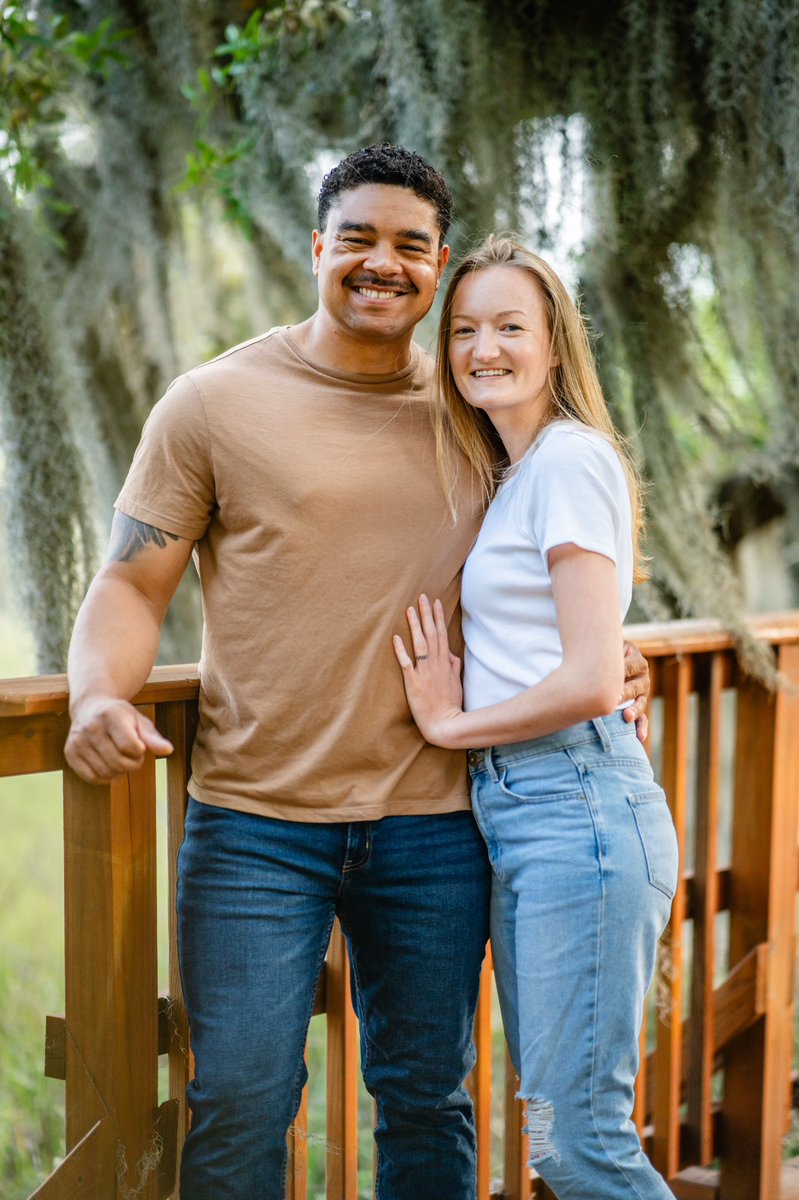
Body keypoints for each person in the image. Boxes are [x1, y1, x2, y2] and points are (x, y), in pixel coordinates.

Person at [64, 147, 650, 1200]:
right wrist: (99, 694)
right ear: (318, 248)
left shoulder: (477, 404)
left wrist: (609, 658)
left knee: (428, 1098)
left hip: (439, 822)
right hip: (254, 822)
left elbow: (552, 564)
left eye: (412, 247)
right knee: (239, 1100)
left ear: (437, 270)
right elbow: (131, 585)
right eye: (361, 239)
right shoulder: (211, 403)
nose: (384, 263)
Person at [393, 236, 678, 1198]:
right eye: (464, 329)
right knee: (552, 1124)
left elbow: (594, 679)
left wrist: (448, 723)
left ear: (555, 344)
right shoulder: (515, 473)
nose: (484, 347)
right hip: (526, 817)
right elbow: (584, 649)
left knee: (576, 1140)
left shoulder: (567, 462)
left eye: (510, 326)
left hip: (576, 813)